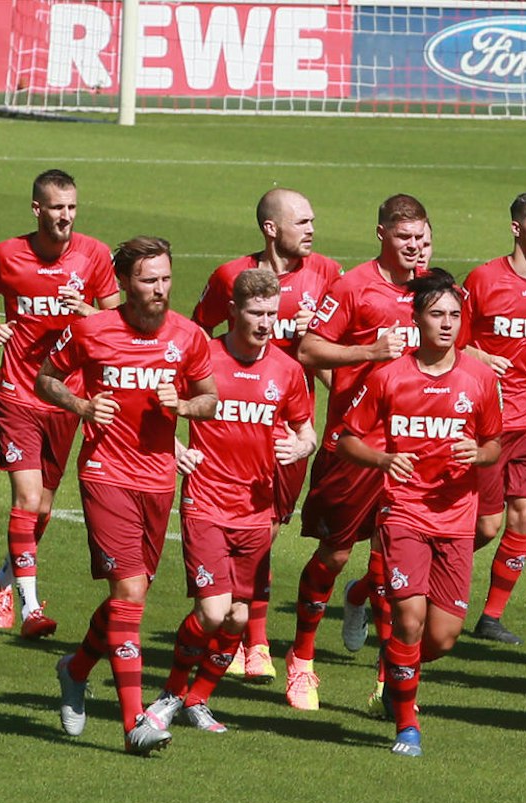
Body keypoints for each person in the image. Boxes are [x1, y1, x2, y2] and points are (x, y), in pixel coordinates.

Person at [37, 236, 218, 756]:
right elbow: (46, 379)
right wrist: (80, 404)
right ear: (123, 283)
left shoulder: (188, 337)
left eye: (165, 278)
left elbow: (210, 400)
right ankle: (133, 721)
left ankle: (74, 670)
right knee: (131, 593)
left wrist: (183, 405)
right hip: (105, 472)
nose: (160, 289)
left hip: (159, 480)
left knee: (126, 599)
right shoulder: (91, 331)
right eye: (148, 279)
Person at [337, 270, 504, 757]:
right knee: (408, 621)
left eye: (454, 315)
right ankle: (407, 725)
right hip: (403, 513)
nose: (447, 324)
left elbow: (494, 443)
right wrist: (384, 459)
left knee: (443, 638)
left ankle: (398, 670)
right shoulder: (388, 377)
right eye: (437, 315)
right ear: (417, 320)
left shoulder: (479, 378)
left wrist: (480, 453)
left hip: (456, 518)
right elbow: (347, 439)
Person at [150, 269, 318, 723]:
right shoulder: (202, 358)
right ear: (233, 312)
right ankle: (169, 693)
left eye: (271, 313)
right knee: (213, 610)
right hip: (205, 501)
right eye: (255, 313)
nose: (265, 323)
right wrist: (174, 447)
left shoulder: (287, 370)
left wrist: (301, 445)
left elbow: (308, 431)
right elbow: (154, 409)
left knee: (240, 620)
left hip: (255, 510)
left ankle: (197, 700)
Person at [191, 188, 342, 680]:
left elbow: (331, 347)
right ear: (271, 228)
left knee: (266, 533)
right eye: (301, 221)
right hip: (231, 432)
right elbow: (196, 336)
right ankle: (252, 642)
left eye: (312, 220)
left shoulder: (327, 273)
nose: (312, 230)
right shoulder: (229, 277)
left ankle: (242, 633)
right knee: (256, 534)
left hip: (288, 432)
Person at [0, 169, 124, 640]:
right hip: (18, 392)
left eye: (72, 208)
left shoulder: (94, 255)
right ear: (37, 209)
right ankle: (31, 606)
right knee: (24, 499)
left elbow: (120, 318)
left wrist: (87, 312)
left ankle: (5, 578)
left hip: (68, 397)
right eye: (57, 208)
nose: (66, 216)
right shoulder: (5, 254)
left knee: (41, 509)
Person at [289, 194, 429, 685]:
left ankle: (389, 674)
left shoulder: (433, 292)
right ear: (382, 235)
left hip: (415, 447)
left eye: (421, 238)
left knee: (398, 558)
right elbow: (307, 348)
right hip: (354, 444)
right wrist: (369, 350)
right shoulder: (353, 286)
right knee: (337, 553)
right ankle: (301, 657)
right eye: (404, 238)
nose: (414, 248)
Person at [462, 193, 526, 646]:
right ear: (516, 228)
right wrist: (480, 355)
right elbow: (448, 341)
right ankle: (404, 577)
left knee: (523, 515)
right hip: (487, 422)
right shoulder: (483, 279)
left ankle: (491, 616)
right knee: (485, 525)